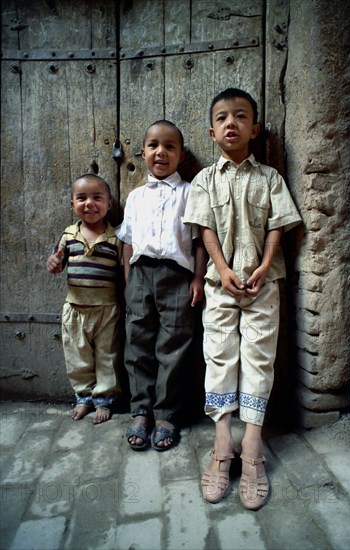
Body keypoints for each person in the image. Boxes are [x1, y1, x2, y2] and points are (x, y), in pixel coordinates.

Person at [183, 88, 302, 509]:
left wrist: (265, 265)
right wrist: (225, 269)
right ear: (212, 131)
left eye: (240, 116)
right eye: (222, 118)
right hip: (220, 282)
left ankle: (251, 448)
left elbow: (277, 226)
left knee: (258, 354)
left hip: (262, 283)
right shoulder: (203, 180)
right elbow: (204, 229)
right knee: (220, 353)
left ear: (254, 128)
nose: (231, 123)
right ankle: (222, 445)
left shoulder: (269, 178)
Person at [116, 120, 206, 451]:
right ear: (142, 152)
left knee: (174, 344)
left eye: (170, 146)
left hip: (177, 277)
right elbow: (127, 241)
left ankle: (166, 413)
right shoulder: (136, 196)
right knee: (137, 341)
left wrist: (197, 278)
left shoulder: (190, 194)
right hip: (140, 274)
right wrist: (128, 278)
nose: (161, 152)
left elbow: (199, 241)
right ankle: (140, 411)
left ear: (181, 155)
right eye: (154, 145)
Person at [46, 174, 123, 424]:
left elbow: (123, 274)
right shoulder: (68, 236)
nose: (89, 203)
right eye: (82, 198)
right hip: (75, 308)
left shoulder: (115, 239)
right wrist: (54, 263)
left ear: (109, 204)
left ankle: (104, 398)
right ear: (72, 204)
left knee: (106, 356)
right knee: (77, 356)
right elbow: (57, 265)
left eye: (97, 198)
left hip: (106, 310)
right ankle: (84, 397)